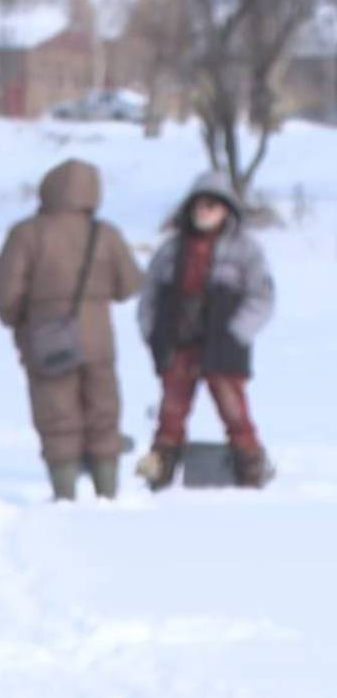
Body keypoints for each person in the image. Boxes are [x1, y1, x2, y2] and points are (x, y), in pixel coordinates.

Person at [0, 159, 143, 500]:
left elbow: (7, 292)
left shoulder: (27, 233)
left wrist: (22, 320)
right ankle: (108, 491)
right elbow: (130, 284)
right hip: (99, 341)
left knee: (57, 413)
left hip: (46, 338)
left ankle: (64, 493)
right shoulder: (105, 234)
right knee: (103, 412)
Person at [135, 171, 275, 490]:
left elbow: (262, 296)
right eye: (199, 204)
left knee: (234, 411)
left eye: (212, 204)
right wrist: (151, 332)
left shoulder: (246, 251)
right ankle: (160, 470)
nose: (204, 210)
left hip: (223, 345)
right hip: (178, 344)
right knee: (171, 412)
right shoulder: (170, 250)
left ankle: (251, 468)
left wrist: (238, 331)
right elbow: (149, 296)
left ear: (226, 209)